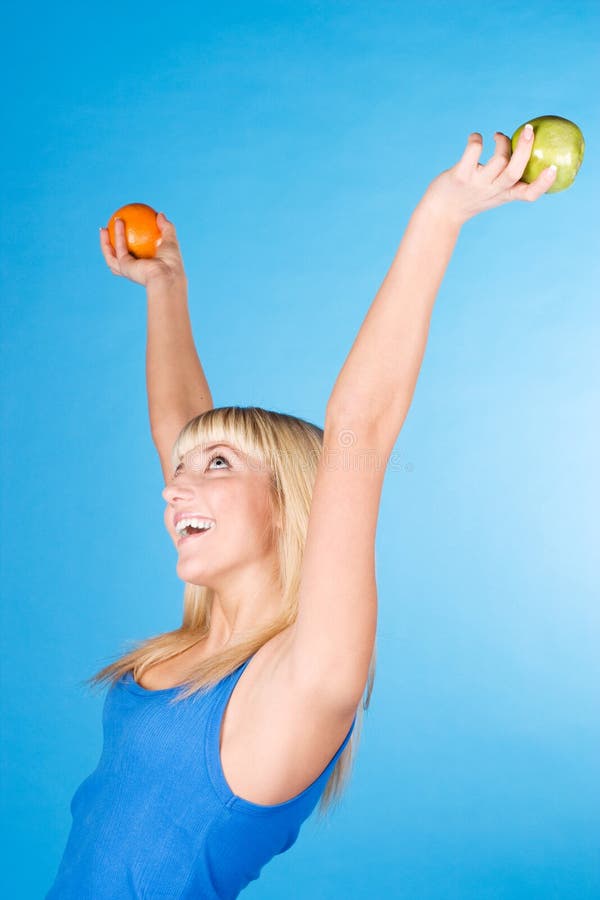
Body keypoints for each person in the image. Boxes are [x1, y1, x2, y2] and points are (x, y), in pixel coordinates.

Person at [46, 127, 556, 898]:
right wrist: (165, 289)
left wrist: (440, 215)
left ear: (289, 507)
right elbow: (178, 429)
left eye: (217, 467)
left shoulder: (304, 679)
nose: (175, 486)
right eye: (179, 472)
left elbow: (360, 428)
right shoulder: (204, 643)